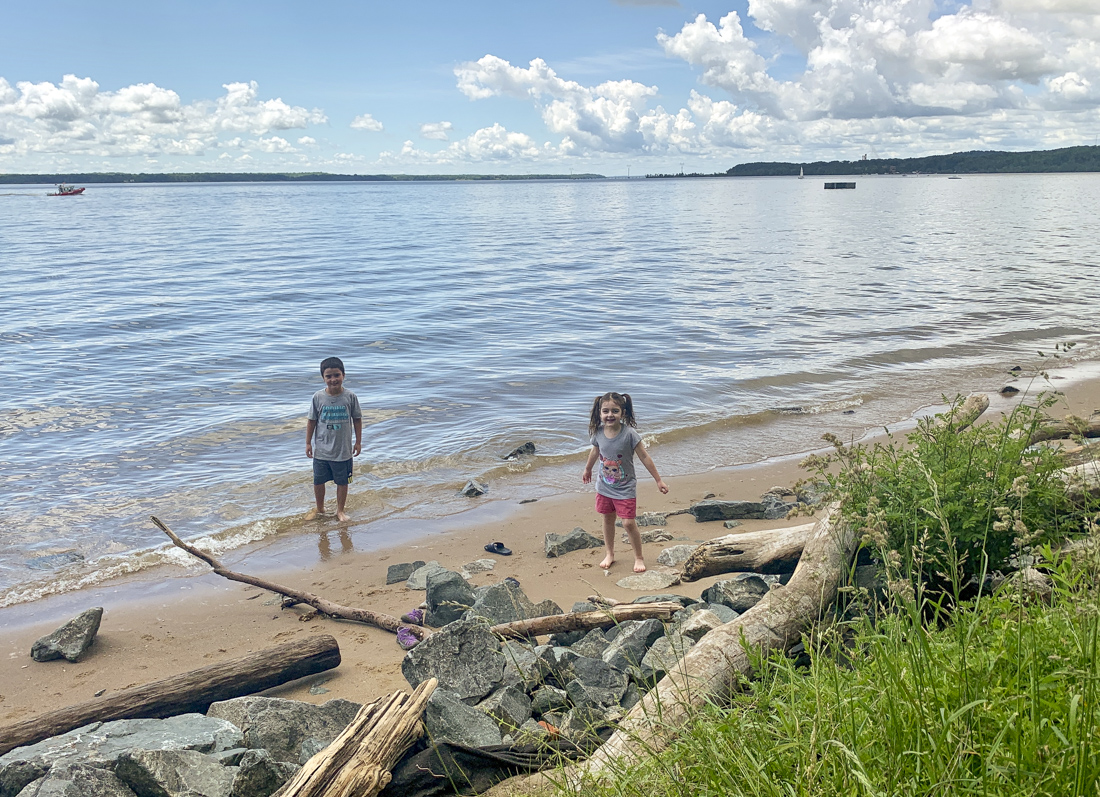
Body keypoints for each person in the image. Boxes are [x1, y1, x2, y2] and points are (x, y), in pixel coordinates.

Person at [581, 391, 669, 573]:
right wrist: (588, 468)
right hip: (604, 486)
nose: (610, 415)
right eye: (605, 411)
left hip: (625, 488)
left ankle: (638, 557)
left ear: (623, 413)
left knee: (628, 523)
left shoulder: (629, 434)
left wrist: (658, 480)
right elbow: (595, 452)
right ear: (599, 413)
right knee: (607, 519)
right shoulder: (598, 433)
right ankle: (610, 553)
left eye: (615, 411)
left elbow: (644, 456)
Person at [305, 357, 362, 522]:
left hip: (343, 450)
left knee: (342, 482)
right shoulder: (318, 397)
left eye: (336, 375)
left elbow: (357, 419)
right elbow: (312, 421)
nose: (333, 379)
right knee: (318, 481)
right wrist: (308, 443)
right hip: (321, 450)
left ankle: (340, 510)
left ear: (343, 375)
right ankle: (320, 508)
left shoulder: (350, 397)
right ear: (323, 378)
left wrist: (358, 442)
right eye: (328, 376)